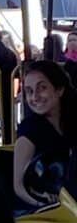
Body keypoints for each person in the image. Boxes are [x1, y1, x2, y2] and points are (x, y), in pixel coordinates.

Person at [13, 60, 77, 206]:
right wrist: (40, 201)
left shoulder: (72, 122)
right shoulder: (29, 130)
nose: (35, 97)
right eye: (29, 91)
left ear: (59, 90)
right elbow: (19, 186)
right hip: (45, 208)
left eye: (42, 88)